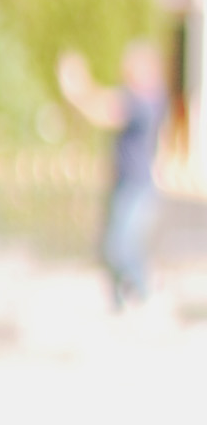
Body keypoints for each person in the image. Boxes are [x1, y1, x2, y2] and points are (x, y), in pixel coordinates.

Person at [60, 37, 171, 311]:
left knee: (120, 247)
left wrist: (78, 88)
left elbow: (106, 111)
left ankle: (145, 295)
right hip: (127, 184)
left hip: (137, 187)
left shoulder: (147, 101)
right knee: (114, 246)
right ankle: (122, 302)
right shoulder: (140, 97)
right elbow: (106, 103)